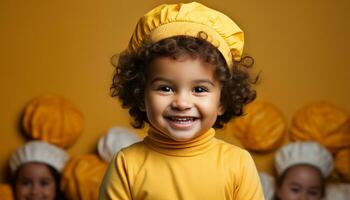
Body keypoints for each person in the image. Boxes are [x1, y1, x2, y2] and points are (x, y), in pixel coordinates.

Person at [99, 2, 263, 199]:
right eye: (165, 88)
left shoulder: (238, 164)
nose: (182, 103)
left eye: (199, 89)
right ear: (141, 95)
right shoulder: (126, 164)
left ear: (222, 101)